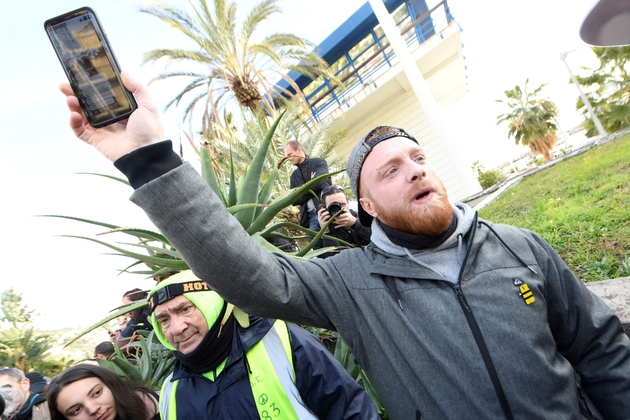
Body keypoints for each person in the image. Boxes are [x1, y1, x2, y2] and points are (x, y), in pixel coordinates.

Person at [60, 76, 630, 419]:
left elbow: (602, 352)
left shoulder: (520, 246)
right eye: (388, 171)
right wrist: (149, 159)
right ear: (368, 209)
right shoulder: (350, 281)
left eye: (418, 159)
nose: (413, 170)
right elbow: (245, 272)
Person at [147, 271, 378, 419]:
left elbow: (351, 411)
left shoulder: (282, 341)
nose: (176, 328)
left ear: (212, 305)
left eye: (185, 309)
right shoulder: (171, 392)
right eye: (164, 320)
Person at [46, 364, 158, 420]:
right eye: (76, 410)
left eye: (96, 393)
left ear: (110, 384)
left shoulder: (155, 405)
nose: (93, 409)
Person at [284, 140, 332, 233]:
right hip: (310, 219)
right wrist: (312, 182)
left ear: (299, 149)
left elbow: (320, 182)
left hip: (327, 212)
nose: (288, 159)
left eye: (290, 155)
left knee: (337, 244)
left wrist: (300, 191)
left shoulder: (319, 162)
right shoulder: (293, 176)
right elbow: (293, 200)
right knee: (317, 247)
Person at [317, 184, 371, 254]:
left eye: (342, 204)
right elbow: (328, 260)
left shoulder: (358, 216)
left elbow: (376, 242)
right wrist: (327, 233)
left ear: (348, 203)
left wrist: (355, 224)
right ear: (324, 209)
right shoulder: (317, 229)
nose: (339, 208)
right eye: (333, 205)